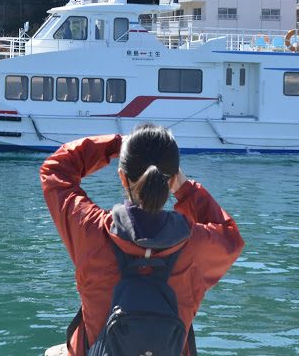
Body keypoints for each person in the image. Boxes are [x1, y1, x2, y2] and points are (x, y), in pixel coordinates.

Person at [40, 124, 244, 355]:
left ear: (122, 177)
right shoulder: (196, 245)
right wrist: (185, 189)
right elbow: (231, 237)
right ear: (172, 178)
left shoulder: (91, 231)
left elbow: (55, 170)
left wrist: (116, 144)